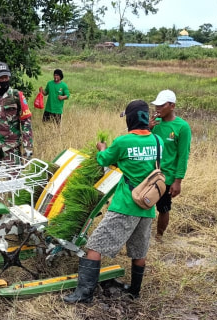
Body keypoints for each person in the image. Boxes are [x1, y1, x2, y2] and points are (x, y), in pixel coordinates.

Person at [63, 100, 162, 303]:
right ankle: (134, 291)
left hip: (126, 205)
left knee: (95, 246)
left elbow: (103, 159)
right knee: (139, 250)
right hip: (147, 205)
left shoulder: (123, 141)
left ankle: (84, 295)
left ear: (130, 118)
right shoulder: (158, 141)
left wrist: (102, 148)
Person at [149, 90, 191, 242]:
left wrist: (178, 181)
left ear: (172, 106)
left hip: (167, 177)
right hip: (149, 173)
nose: (157, 109)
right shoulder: (154, 123)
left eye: (161, 105)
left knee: (163, 208)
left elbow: (183, 155)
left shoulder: (182, 127)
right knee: (144, 203)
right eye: (156, 105)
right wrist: (147, 128)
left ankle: (159, 236)